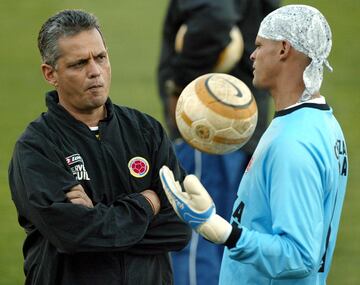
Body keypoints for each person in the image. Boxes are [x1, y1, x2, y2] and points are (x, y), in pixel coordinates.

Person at [160, 4, 348, 285]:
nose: (251, 54)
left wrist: (223, 231)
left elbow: (299, 256)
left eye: (259, 45)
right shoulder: (322, 124)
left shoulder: (292, 145)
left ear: (284, 49)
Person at [8, 9, 191, 285]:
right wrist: (146, 202)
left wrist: (97, 218)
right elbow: (73, 235)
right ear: (50, 73)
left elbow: (179, 228)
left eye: (101, 57)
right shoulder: (37, 148)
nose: (95, 72)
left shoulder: (146, 131)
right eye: (79, 63)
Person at [157, 1, 279, 284]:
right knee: (232, 235)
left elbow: (214, 15)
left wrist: (183, 83)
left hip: (211, 122)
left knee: (196, 240)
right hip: (244, 119)